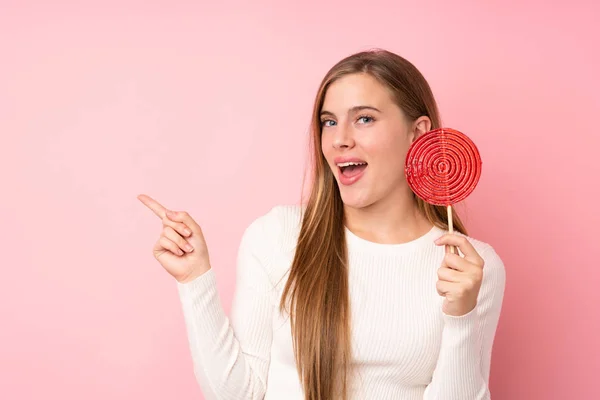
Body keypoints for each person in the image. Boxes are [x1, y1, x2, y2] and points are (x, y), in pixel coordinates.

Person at [138, 48, 506, 400]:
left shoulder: (473, 268)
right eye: (329, 122)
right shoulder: (277, 236)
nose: (340, 139)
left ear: (419, 132)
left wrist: (462, 316)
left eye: (364, 118)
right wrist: (194, 281)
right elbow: (239, 394)